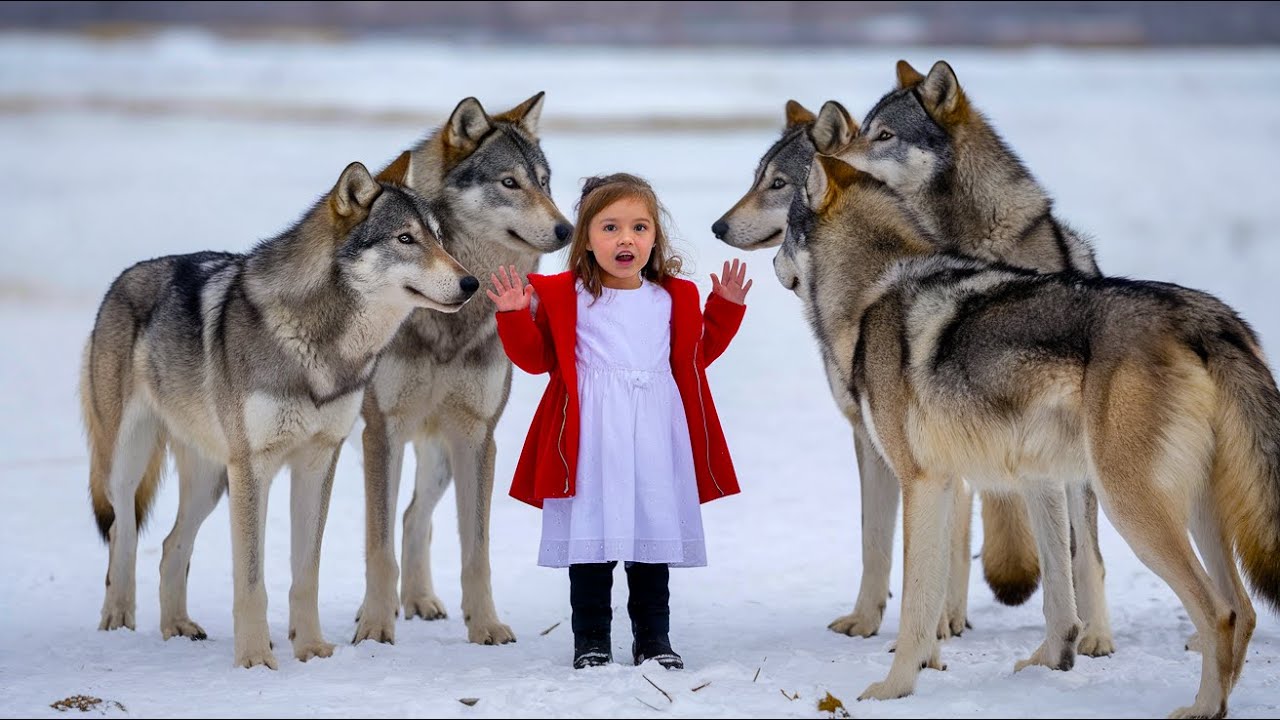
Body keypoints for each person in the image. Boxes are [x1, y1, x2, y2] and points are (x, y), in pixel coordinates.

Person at [488, 172, 752, 669]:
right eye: (609, 227)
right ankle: (591, 640)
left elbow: (694, 357)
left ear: (656, 237)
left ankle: (654, 639)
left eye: (639, 227)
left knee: (650, 540)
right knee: (592, 543)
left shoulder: (672, 298)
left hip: (654, 434)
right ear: (586, 238)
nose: (625, 239)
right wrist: (513, 315)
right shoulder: (569, 297)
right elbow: (536, 359)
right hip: (590, 439)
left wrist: (725, 310)